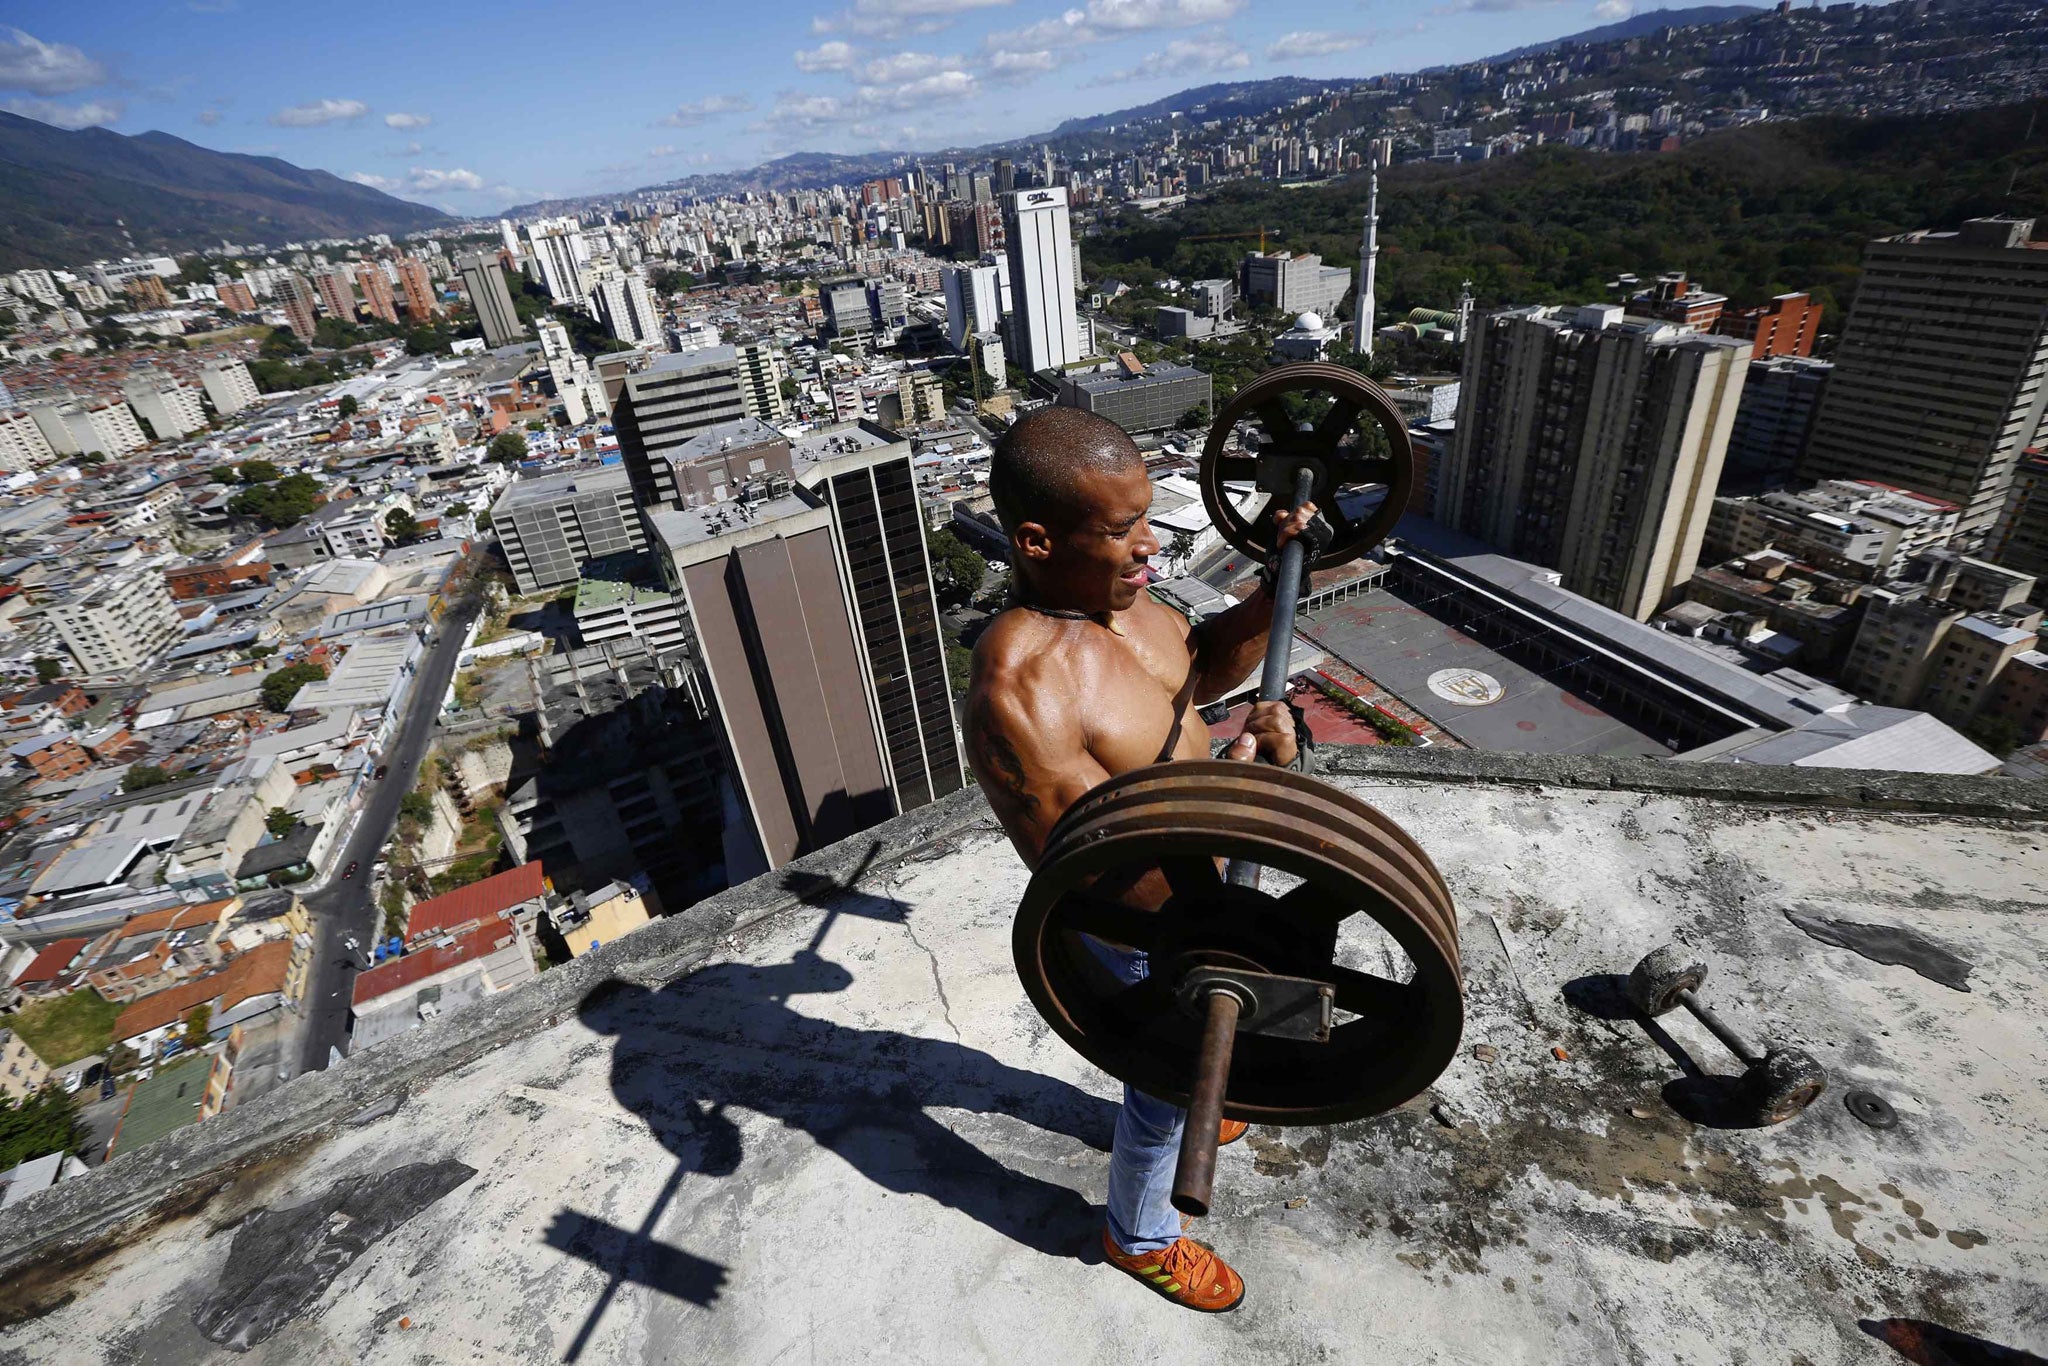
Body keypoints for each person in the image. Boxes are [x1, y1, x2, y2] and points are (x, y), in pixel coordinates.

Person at [965, 406, 1316, 1314]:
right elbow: (1098, 863)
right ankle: (1140, 1235)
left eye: (1146, 520)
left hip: (1210, 879)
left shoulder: (1122, 603)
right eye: (1123, 531)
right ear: (1038, 541)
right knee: (1162, 1096)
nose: (1151, 547)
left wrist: (1273, 592)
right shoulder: (1024, 682)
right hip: (1144, 932)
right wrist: (1245, 781)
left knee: (1195, 1062)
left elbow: (1197, 671)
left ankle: (1204, 1084)